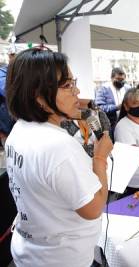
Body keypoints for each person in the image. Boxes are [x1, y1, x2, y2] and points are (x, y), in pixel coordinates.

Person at [5, 49, 113, 267]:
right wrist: (100, 158)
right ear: (38, 97)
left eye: (74, 82)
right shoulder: (58, 146)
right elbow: (92, 209)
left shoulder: (20, 129)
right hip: (61, 258)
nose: (77, 91)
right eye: (67, 86)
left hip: (32, 251)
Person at [95, 67, 130, 135]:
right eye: (118, 79)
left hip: (125, 124)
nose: (121, 82)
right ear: (112, 78)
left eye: (122, 79)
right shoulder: (103, 89)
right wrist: (116, 107)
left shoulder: (127, 89)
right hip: (110, 125)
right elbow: (99, 108)